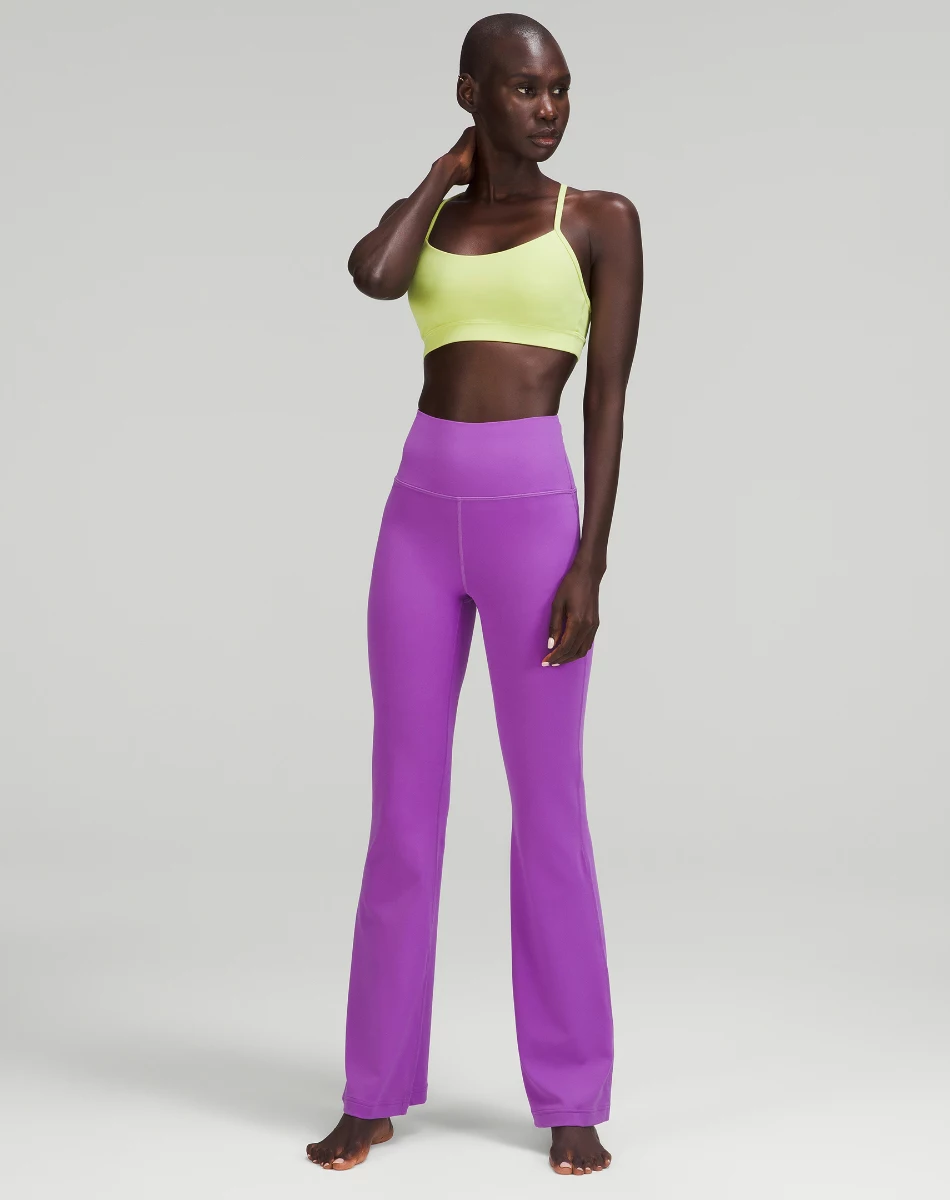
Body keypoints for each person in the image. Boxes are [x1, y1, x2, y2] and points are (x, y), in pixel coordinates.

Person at [307, 11, 642, 1177]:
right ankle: (372, 1090)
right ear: (470, 94)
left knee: (547, 812)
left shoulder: (599, 220)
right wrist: (437, 174)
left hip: (533, 529)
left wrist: (590, 562)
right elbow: (372, 276)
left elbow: (607, 400)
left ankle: (573, 1097)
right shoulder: (437, 221)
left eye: (559, 89)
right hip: (415, 519)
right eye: (523, 90)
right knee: (402, 812)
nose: (548, 109)